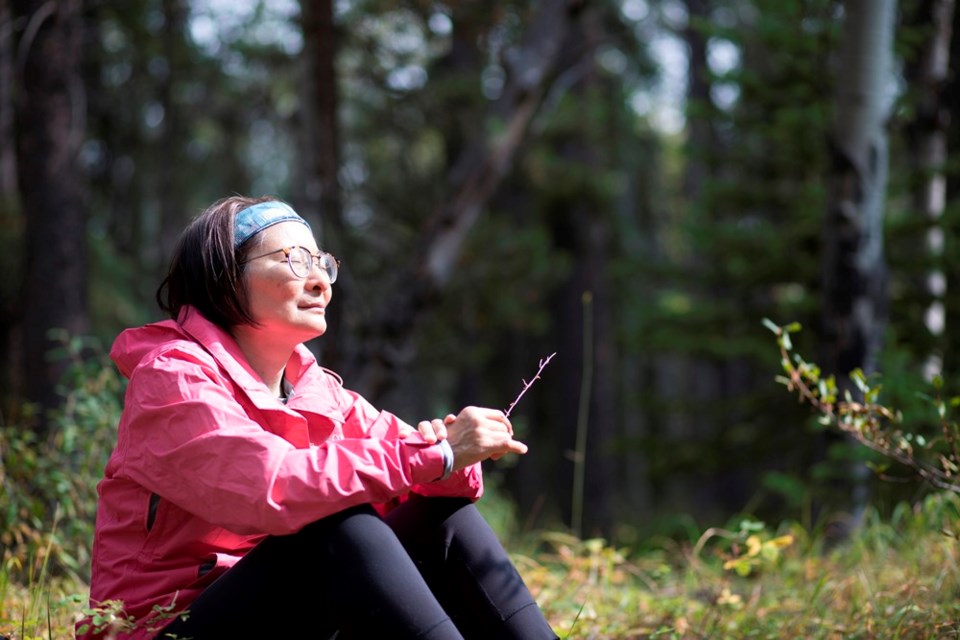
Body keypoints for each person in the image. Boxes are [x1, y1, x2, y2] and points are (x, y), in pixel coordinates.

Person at [81, 196, 559, 639]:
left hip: (280, 617)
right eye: (294, 260)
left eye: (323, 263)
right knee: (337, 530)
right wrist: (437, 454)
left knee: (444, 519)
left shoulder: (318, 390)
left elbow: (418, 470)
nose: (321, 281)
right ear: (224, 276)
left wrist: (451, 456)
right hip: (166, 629)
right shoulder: (172, 377)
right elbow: (272, 488)